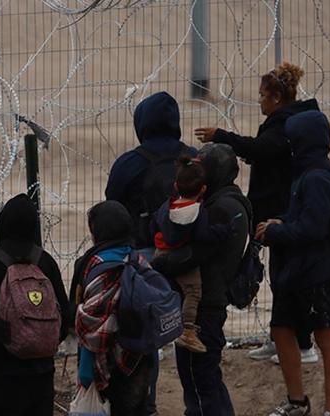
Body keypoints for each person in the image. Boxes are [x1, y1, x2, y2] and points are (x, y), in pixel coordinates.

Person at [195, 62, 319, 364]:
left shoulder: (286, 124)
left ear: (276, 97)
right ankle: (283, 339)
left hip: (283, 212)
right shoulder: (286, 119)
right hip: (277, 209)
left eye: (262, 95)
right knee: (279, 278)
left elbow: (261, 149)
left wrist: (222, 136)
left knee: (287, 279)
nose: (259, 100)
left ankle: (302, 345)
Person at [104, 90, 195, 415]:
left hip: (143, 261)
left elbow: (111, 209)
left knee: (143, 337)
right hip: (190, 259)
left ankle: (148, 404)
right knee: (192, 336)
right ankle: (197, 404)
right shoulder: (194, 158)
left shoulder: (130, 163)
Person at [152, 143, 250, 416]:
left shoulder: (221, 209)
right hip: (212, 299)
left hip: (205, 304)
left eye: (203, 168)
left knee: (198, 381)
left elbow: (190, 254)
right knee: (206, 380)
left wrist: (158, 264)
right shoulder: (230, 201)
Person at [255, 110, 330, 416]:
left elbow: (315, 228)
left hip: (319, 272)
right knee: (281, 328)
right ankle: (297, 402)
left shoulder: (318, 177)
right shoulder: (304, 173)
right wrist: (282, 221)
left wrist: (278, 230)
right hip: (298, 270)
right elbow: (304, 217)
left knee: (326, 336)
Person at [0, 194, 68, 416]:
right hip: (42, 373)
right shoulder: (45, 261)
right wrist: (41, 342)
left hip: (2, 373)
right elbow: (64, 316)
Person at [73, 200, 157, 415]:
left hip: (108, 365)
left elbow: (90, 327)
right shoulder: (138, 260)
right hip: (139, 358)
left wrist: (85, 371)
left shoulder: (95, 265)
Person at [152, 156, 235, 353]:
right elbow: (203, 234)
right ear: (203, 189)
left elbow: (152, 224)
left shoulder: (167, 206)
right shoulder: (198, 212)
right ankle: (188, 329)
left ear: (175, 185)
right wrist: (223, 231)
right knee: (193, 292)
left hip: (160, 251)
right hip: (181, 256)